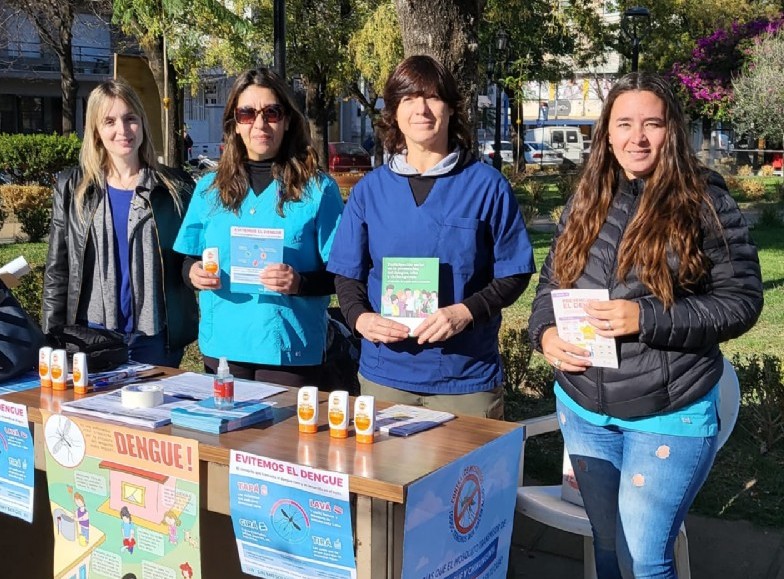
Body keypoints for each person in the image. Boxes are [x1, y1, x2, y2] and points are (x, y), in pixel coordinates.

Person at [528, 72, 763, 579]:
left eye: (651, 124)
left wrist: (646, 318)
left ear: (670, 131)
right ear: (607, 134)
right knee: (608, 549)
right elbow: (550, 284)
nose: (638, 138)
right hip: (584, 409)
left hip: (667, 413)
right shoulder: (587, 197)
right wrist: (545, 334)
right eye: (625, 124)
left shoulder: (705, 202)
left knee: (644, 559)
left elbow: (742, 302)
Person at [327, 55, 535, 419]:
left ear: (451, 108)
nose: (421, 109)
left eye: (433, 97)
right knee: (386, 474)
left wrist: (465, 312)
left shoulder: (487, 186)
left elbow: (514, 273)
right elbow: (348, 272)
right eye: (408, 98)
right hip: (386, 375)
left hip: (465, 378)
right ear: (393, 112)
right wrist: (359, 317)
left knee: (468, 476)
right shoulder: (370, 191)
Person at [174, 68, 344, 385]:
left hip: (288, 346)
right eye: (247, 113)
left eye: (272, 112)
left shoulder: (319, 190)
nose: (260, 124)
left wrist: (300, 283)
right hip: (223, 346)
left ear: (288, 120)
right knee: (225, 434)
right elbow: (187, 259)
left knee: (282, 435)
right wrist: (193, 274)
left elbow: (343, 274)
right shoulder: (209, 189)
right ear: (235, 124)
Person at [42, 78, 198, 367]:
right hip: (92, 338)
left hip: (154, 339)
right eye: (110, 121)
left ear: (142, 123)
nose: (122, 130)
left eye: (130, 119)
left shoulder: (175, 186)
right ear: (96, 131)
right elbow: (58, 272)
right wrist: (51, 339)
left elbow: (191, 257)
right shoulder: (72, 187)